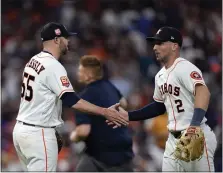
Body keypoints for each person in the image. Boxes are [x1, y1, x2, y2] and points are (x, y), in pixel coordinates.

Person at [12, 22, 128, 172]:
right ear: (56, 40)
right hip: (38, 134)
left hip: (21, 131)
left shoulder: (32, 61)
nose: (68, 41)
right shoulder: (53, 66)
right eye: (65, 38)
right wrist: (105, 112)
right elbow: (71, 100)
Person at [108, 27, 217, 172]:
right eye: (154, 44)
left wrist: (193, 127)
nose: (155, 47)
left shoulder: (185, 67)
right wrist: (129, 115)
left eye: (160, 43)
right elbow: (159, 106)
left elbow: (203, 93)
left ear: (174, 46)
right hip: (172, 140)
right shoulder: (160, 76)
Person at [70, 55, 134, 172]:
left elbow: (83, 131)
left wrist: (73, 136)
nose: (78, 73)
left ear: (88, 74)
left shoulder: (83, 98)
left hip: (102, 156)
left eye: (80, 70)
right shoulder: (109, 86)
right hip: (124, 152)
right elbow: (123, 103)